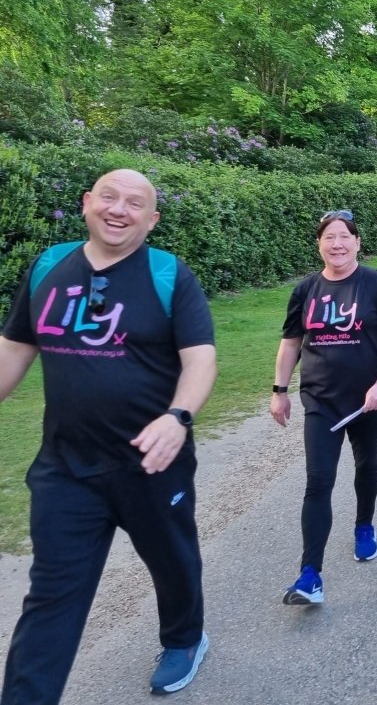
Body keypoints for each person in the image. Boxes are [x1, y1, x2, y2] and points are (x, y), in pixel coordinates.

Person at [0, 169, 217, 703]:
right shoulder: (48, 267)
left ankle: (185, 639)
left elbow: (201, 358)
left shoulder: (169, 275)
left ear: (152, 219)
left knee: (171, 561)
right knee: (52, 596)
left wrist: (178, 417)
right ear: (86, 203)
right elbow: (12, 351)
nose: (120, 209)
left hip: (151, 462)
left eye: (135, 203)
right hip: (66, 468)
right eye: (110, 197)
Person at [271, 209, 377, 605]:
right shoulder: (305, 290)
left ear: (357, 242)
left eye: (344, 237)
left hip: (368, 399)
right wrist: (279, 390)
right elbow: (291, 342)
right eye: (329, 237)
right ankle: (309, 576)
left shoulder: (376, 283)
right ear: (319, 244)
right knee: (318, 481)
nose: (337, 244)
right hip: (320, 399)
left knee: (366, 463)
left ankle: (364, 525)